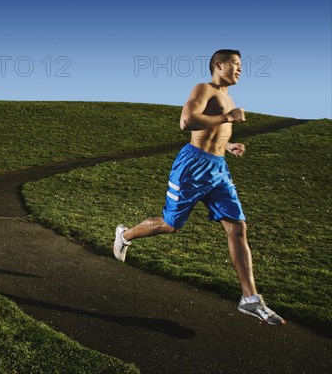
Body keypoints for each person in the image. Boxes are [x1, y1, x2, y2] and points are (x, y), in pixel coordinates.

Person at [113, 49, 286, 325]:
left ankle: (250, 299)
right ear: (218, 66)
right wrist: (228, 118)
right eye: (235, 64)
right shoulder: (203, 89)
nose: (240, 69)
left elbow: (209, 131)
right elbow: (187, 121)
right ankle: (125, 236)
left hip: (218, 169)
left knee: (237, 227)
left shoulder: (227, 97)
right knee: (172, 224)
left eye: (242, 65)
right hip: (192, 167)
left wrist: (228, 146)